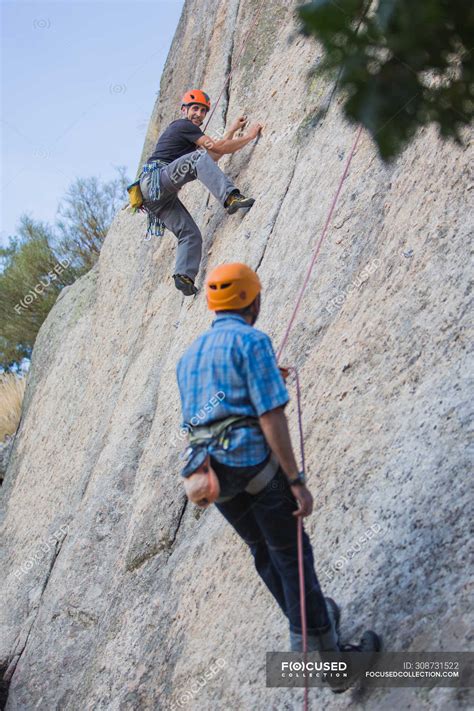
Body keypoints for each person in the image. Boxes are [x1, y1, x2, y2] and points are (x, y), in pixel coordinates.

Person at [175, 262, 380, 688]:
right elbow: (270, 415)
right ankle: (333, 665)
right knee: (291, 557)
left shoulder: (189, 356)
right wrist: (296, 479)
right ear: (253, 300)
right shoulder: (252, 341)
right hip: (256, 467)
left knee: (264, 553)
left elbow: (205, 415)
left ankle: (314, 622)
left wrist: (266, 379)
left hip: (211, 477)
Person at [140, 90, 263, 296]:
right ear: (184, 110)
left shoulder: (188, 138)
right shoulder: (182, 126)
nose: (198, 114)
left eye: (203, 111)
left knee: (189, 234)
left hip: (155, 197)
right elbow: (211, 150)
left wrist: (232, 130)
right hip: (157, 179)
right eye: (194, 108)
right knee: (197, 158)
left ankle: (184, 276)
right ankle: (231, 197)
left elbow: (212, 156)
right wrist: (250, 136)